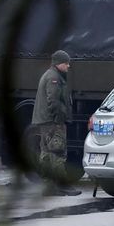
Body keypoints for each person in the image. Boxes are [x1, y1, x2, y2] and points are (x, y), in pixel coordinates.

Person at [31, 50, 81, 197]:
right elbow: (53, 101)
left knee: (46, 153)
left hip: (45, 121)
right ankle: (62, 186)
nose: (68, 66)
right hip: (53, 121)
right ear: (59, 63)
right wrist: (60, 119)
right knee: (58, 152)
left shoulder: (49, 74)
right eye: (66, 63)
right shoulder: (54, 78)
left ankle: (49, 185)